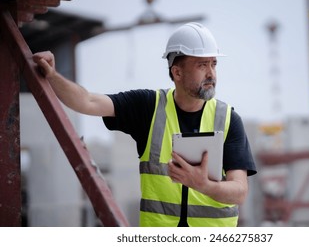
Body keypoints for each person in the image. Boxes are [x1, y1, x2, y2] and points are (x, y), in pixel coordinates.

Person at [33, 22, 257, 227]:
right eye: (202, 65)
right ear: (176, 72)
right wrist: (52, 75)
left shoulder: (228, 119)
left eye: (214, 64)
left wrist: (204, 186)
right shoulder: (149, 107)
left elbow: (239, 192)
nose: (211, 73)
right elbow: (87, 101)